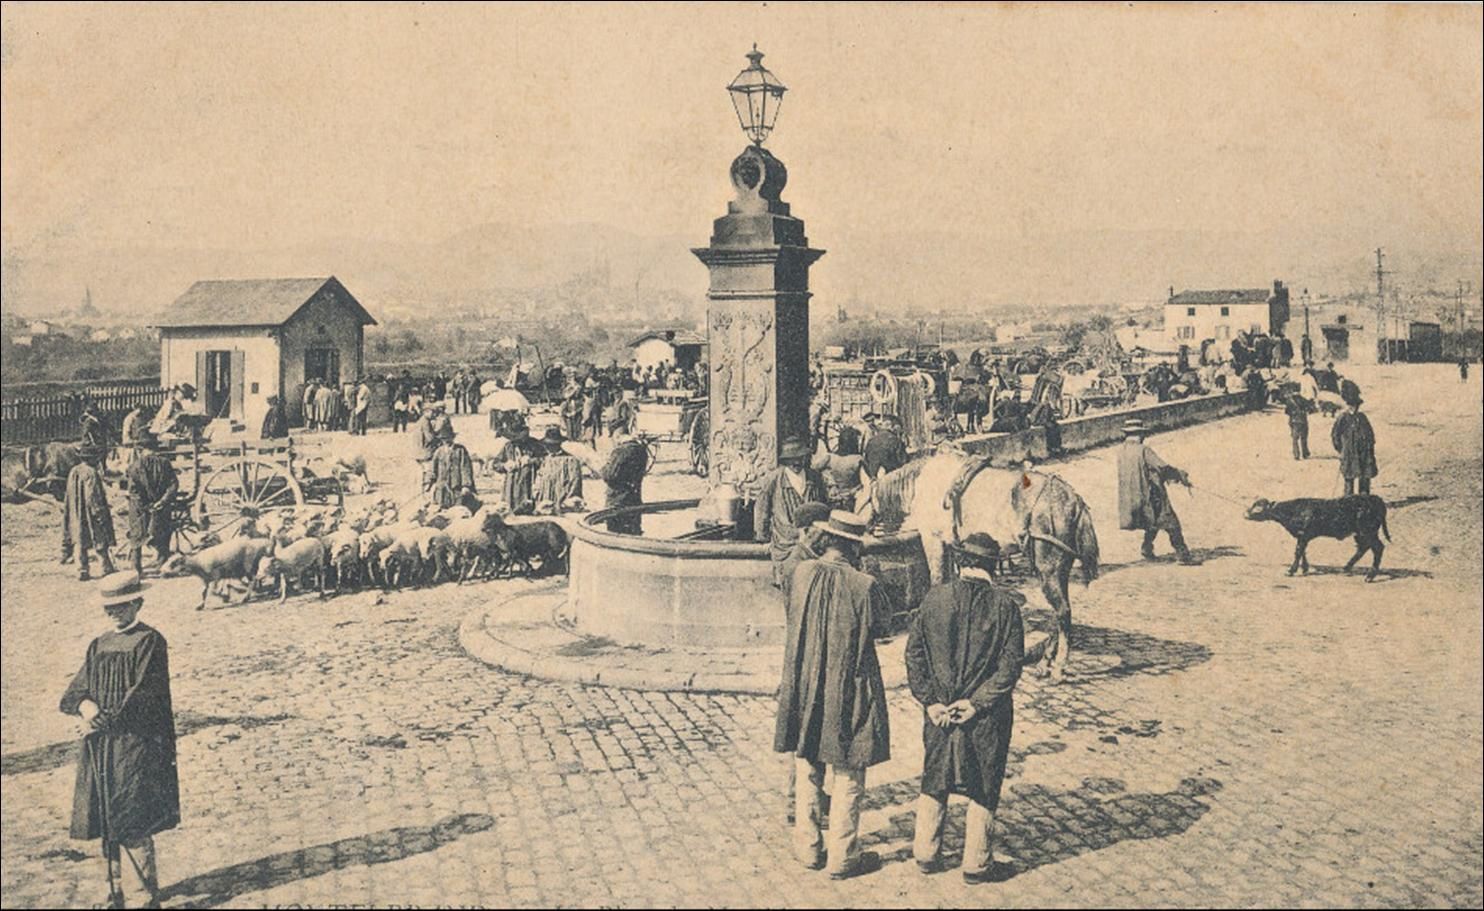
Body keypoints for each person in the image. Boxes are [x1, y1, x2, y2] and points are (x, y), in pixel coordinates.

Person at [774, 511, 892, 880]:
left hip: (806, 683)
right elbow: (884, 627)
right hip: (848, 685)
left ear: (827, 539)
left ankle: (808, 847)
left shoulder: (800, 573)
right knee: (849, 766)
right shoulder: (864, 585)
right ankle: (843, 855)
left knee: (808, 757)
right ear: (855, 547)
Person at [906, 533, 1025, 884]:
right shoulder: (1006, 607)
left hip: (939, 711)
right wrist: (976, 703)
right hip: (986, 716)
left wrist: (930, 700)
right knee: (984, 780)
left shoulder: (934, 598)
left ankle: (925, 852)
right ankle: (977, 862)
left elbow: (914, 655)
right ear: (993, 567)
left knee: (935, 773)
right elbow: (1010, 669)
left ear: (961, 563)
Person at [59, 571, 179, 910]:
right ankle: (114, 893)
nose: (114, 613)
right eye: (109, 608)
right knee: (106, 814)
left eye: (122, 606)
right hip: (101, 745)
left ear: (137, 603)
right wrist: (86, 706)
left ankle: (143, 896)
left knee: (132, 813)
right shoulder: (98, 644)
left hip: (135, 743)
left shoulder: (149, 641)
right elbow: (77, 689)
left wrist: (101, 721)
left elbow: (143, 696)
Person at [1117, 419, 1199, 565]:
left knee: (1152, 521)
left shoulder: (1122, 451)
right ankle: (1183, 555)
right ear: (1139, 434)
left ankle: (1147, 548)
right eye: (1143, 434)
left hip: (1134, 496)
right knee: (1171, 523)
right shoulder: (1143, 450)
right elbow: (1162, 468)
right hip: (1152, 494)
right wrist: (1180, 475)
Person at [754, 437, 828, 587]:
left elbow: (823, 506)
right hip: (785, 540)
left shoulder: (814, 478)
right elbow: (762, 508)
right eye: (791, 459)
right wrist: (762, 535)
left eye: (799, 458)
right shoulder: (774, 479)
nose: (796, 463)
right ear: (785, 461)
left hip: (812, 539)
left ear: (805, 458)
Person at [124, 433, 179, 576]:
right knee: (163, 532)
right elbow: (173, 485)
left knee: (136, 535)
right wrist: (162, 502)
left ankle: (136, 568)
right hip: (161, 507)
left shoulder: (135, 466)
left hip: (140, 508)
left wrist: (145, 505)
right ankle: (162, 563)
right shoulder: (165, 463)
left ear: (141, 449)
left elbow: (134, 491)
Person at [62, 444, 117, 581]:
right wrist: (99, 512)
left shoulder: (73, 471)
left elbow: (68, 494)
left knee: (79, 539)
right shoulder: (91, 473)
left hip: (75, 511)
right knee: (99, 537)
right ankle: (106, 568)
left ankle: (82, 569)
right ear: (92, 459)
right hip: (89, 512)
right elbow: (93, 495)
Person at [600, 430, 650, 534]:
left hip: (618, 502)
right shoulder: (641, 450)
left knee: (616, 535)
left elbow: (609, 475)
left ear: (617, 435)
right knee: (633, 534)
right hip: (634, 501)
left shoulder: (620, 451)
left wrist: (601, 467)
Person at [1332, 386, 1378, 495]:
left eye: (1356, 406)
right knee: (1349, 477)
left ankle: (1364, 499)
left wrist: (1369, 447)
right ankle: (1349, 500)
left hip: (1364, 453)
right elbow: (1335, 435)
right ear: (1348, 405)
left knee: (1365, 477)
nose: (1354, 408)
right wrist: (1341, 450)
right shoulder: (1342, 418)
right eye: (1352, 405)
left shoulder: (1362, 417)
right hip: (1349, 453)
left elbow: (1370, 434)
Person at [427, 423, 478, 511]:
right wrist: (429, 483)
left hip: (456, 488)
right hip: (442, 489)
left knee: (457, 510)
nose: (446, 441)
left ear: (452, 437)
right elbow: (432, 469)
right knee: (441, 511)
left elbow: (466, 468)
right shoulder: (438, 452)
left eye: (447, 438)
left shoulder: (460, 450)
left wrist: (466, 485)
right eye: (443, 439)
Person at [812, 424, 864, 512]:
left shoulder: (830, 457)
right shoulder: (858, 460)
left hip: (834, 497)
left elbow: (814, 469)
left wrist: (827, 482)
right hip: (852, 497)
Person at [498, 422, 546, 515]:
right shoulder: (508, 446)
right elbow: (495, 464)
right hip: (510, 488)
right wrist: (504, 465)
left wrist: (531, 461)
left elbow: (546, 460)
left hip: (528, 485)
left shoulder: (535, 444)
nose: (515, 442)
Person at [1283, 391, 1311, 460]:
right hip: (1303, 421)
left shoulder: (1290, 401)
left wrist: (1293, 413)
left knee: (1295, 439)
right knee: (1304, 438)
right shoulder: (1304, 400)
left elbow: (1286, 412)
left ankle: (1296, 454)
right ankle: (1305, 453)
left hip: (1294, 421)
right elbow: (1310, 409)